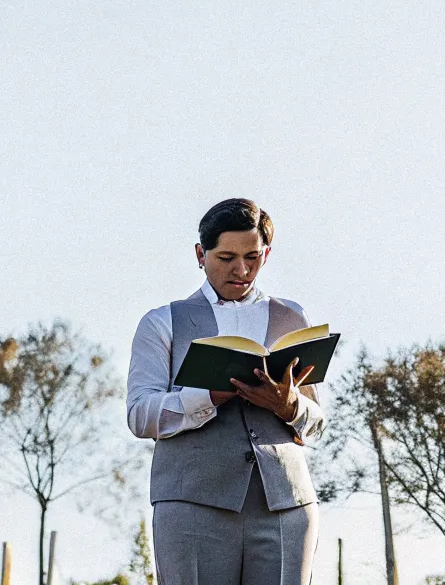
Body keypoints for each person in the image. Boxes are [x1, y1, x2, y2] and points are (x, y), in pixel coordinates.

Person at [126, 198, 325, 585]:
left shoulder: (292, 317)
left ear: (266, 253)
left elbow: (317, 423)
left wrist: (289, 405)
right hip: (192, 505)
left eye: (253, 257)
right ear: (201, 255)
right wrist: (208, 396)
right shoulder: (162, 322)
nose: (242, 270)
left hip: (286, 504)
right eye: (227, 257)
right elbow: (139, 415)